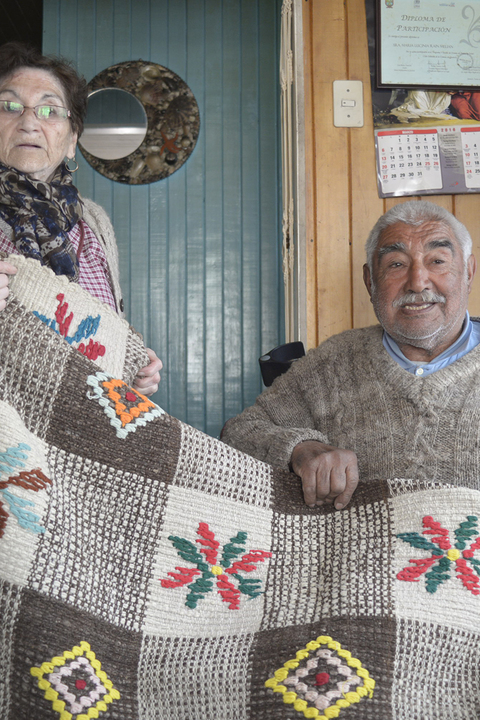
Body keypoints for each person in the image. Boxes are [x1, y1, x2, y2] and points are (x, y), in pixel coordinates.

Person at [222, 200, 480, 509]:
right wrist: (300, 449)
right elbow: (238, 433)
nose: (417, 282)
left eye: (437, 261)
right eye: (396, 264)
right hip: (363, 556)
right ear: (370, 281)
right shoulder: (332, 364)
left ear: (468, 271)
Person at [0, 41, 162, 396]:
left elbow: (107, 325)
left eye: (49, 110)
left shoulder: (94, 221)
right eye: (9, 106)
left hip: (84, 423)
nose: (29, 123)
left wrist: (133, 365)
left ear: (72, 140)